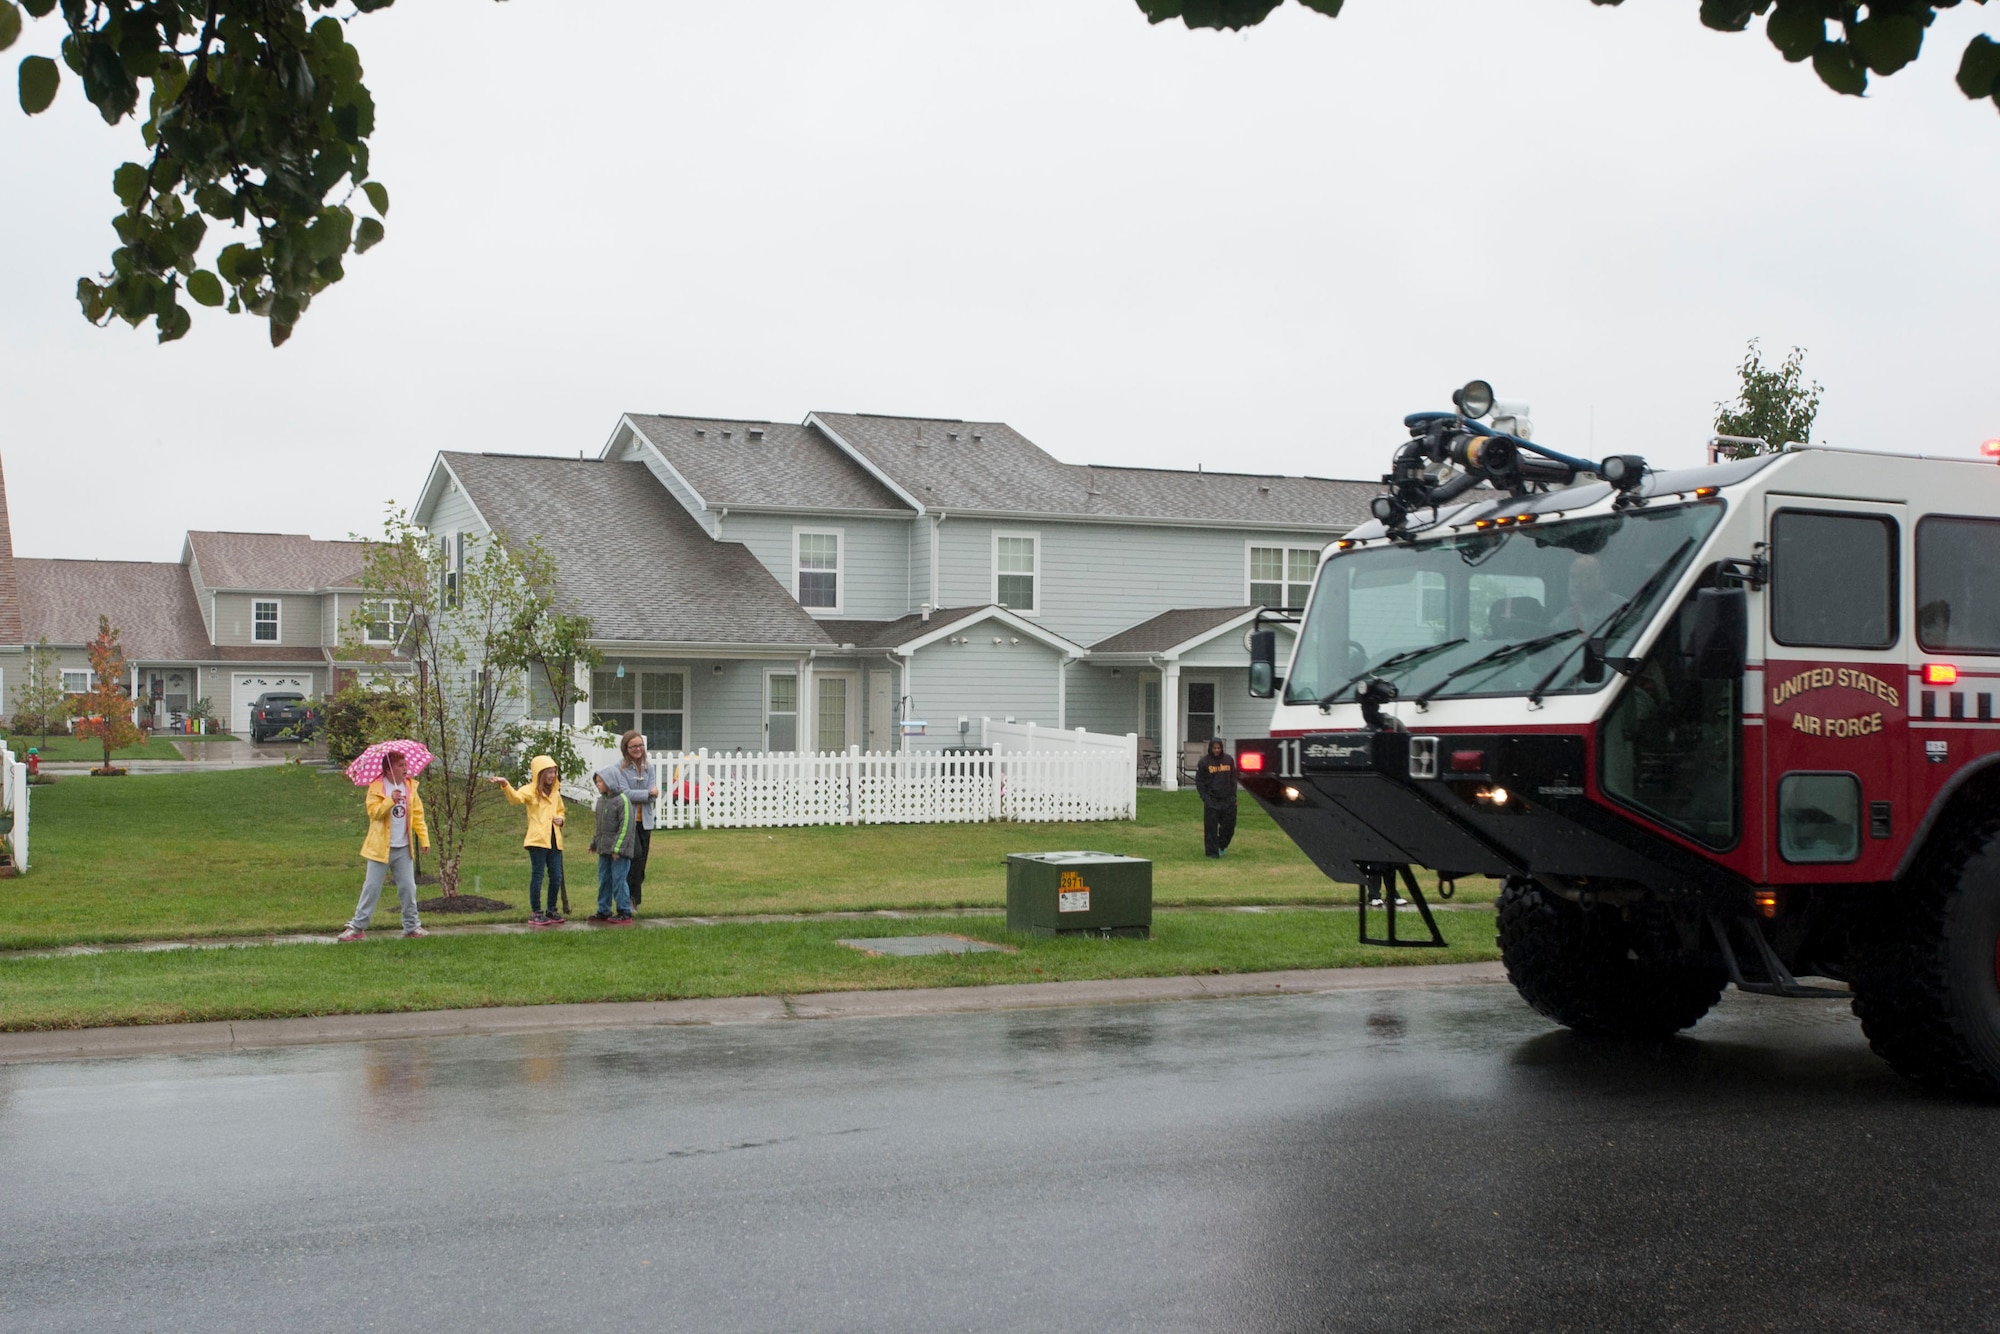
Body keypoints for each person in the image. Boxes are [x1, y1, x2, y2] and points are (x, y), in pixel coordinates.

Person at [337, 751, 429, 941]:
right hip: (380, 848)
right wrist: (390, 801)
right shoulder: (377, 787)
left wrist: (424, 839)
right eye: (400, 766)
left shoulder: (410, 786)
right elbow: (375, 813)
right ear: (389, 769)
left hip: (403, 847)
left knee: (408, 888)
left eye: (406, 765)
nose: (405, 769)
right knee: (371, 887)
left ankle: (412, 927)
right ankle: (357, 927)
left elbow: (418, 815)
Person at [488, 755, 568, 927]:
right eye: (548, 772)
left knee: (556, 876)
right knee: (537, 876)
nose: (551, 776)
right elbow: (515, 798)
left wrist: (561, 819)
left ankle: (551, 909)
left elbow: (560, 811)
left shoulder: (555, 793)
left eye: (553, 772)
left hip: (554, 840)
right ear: (539, 773)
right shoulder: (530, 790)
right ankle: (536, 912)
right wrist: (505, 784)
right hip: (537, 840)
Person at [593, 730, 660, 909]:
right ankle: (627, 901)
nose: (638, 749)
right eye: (633, 746)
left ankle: (634, 900)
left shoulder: (649, 767)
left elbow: (655, 795)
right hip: (627, 821)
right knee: (633, 858)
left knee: (641, 863)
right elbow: (625, 794)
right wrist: (646, 793)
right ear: (626, 748)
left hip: (644, 821)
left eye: (640, 745)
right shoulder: (619, 768)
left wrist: (647, 794)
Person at [589, 766, 643, 925]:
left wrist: (617, 849)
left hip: (620, 852)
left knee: (619, 880)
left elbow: (626, 827)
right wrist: (594, 843)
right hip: (604, 850)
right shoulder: (601, 801)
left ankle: (624, 911)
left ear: (610, 781)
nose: (598, 784)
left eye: (600, 781)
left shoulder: (623, 801)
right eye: (597, 781)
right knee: (604, 879)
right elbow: (600, 827)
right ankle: (603, 909)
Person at [1193, 737, 1238, 858]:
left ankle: (1221, 845)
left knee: (1229, 827)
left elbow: (1233, 779)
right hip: (1212, 800)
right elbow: (1200, 782)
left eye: (1218, 748)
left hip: (1228, 799)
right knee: (1211, 828)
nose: (1216, 750)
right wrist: (1205, 797)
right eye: (1214, 748)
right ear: (1210, 748)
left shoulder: (1229, 760)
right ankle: (1212, 853)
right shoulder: (1204, 762)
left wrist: (1234, 796)